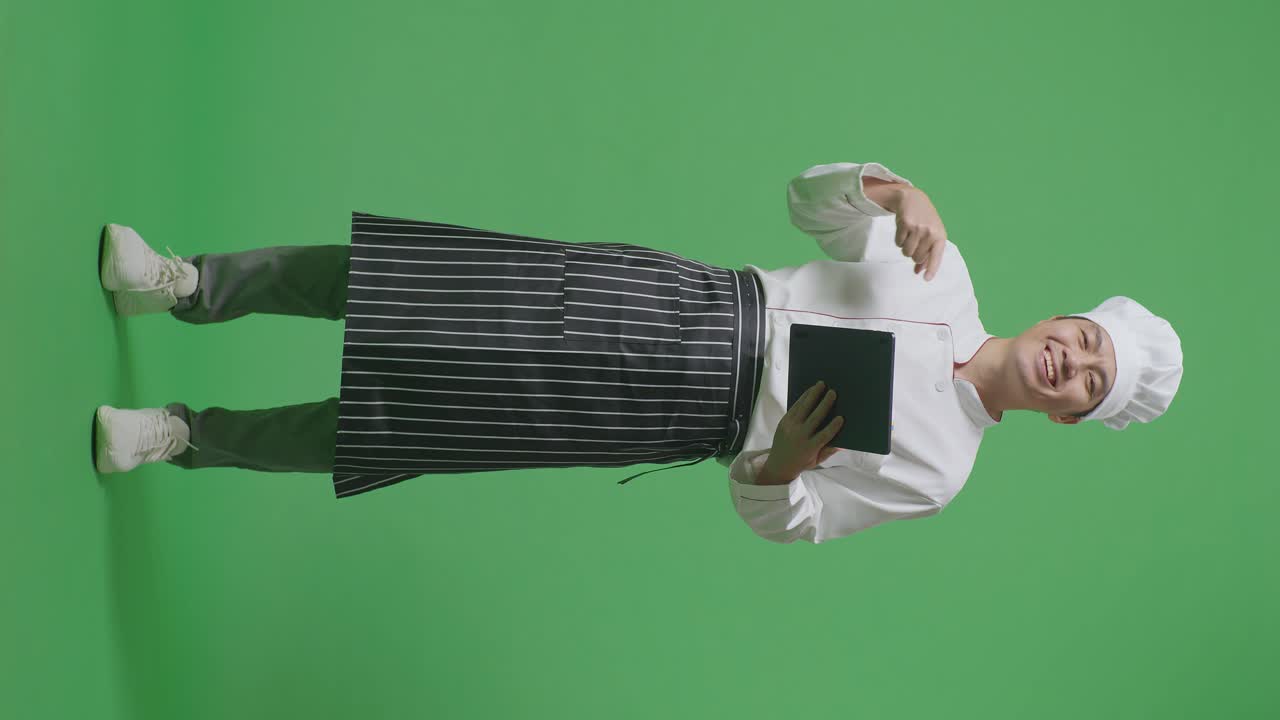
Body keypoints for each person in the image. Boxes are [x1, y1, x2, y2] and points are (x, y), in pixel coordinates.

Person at [93, 161, 1183, 545]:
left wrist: (780, 468)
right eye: (1084, 342)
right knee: (419, 279)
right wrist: (884, 188)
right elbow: (805, 204)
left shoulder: (939, 473)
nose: (1071, 364)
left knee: (416, 419)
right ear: (1063, 316)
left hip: (675, 419)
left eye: (1090, 384)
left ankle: (181, 436)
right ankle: (186, 284)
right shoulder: (936, 264)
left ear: (1073, 417)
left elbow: (776, 522)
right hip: (677, 299)